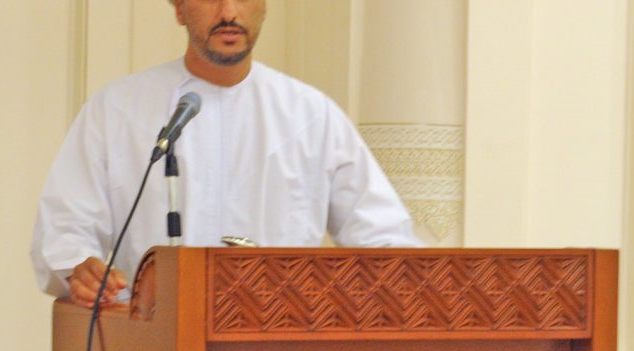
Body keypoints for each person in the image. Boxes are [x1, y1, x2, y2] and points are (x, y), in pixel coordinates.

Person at [30, 0, 421, 309]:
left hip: (277, 346)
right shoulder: (118, 109)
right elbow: (66, 229)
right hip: (151, 343)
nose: (229, 13)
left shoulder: (311, 115)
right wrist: (80, 269)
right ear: (179, 8)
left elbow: (385, 241)